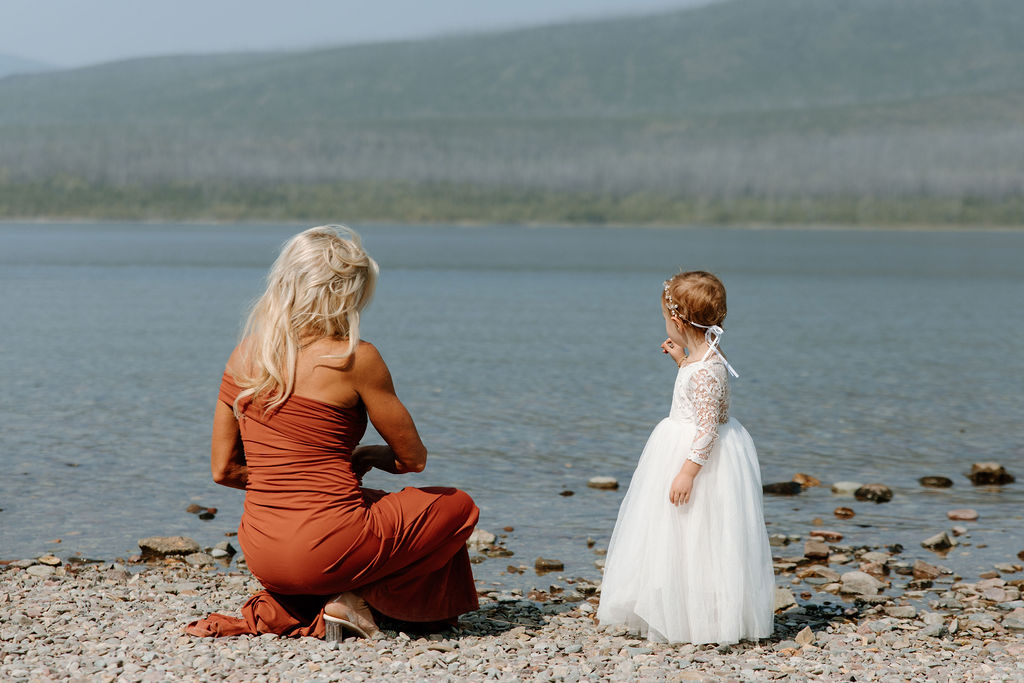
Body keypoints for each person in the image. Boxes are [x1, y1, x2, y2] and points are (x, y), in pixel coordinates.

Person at [186, 225, 479, 640]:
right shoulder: (355, 357)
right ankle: (353, 596)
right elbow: (413, 459)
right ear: (346, 294)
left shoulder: (246, 354)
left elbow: (223, 470)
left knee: (367, 505)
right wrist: (367, 457)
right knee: (456, 506)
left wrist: (286, 479)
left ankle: (310, 599)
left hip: (262, 551)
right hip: (326, 548)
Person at [596, 271, 774, 645]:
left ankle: (697, 616)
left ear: (677, 321)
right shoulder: (706, 355)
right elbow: (700, 394)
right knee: (690, 534)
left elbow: (707, 427)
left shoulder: (706, 369)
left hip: (697, 454)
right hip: (695, 443)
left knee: (694, 533)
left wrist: (687, 473)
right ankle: (686, 606)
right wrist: (682, 361)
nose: (665, 324)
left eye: (665, 318)